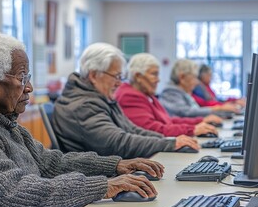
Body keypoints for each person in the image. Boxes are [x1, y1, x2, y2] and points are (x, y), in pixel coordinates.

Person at [0, 32, 164, 207]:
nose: (29, 87)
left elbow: (49, 163)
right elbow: (10, 194)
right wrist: (102, 186)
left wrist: (115, 166)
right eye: (22, 77)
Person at [52, 43, 199, 159]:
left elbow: (132, 130)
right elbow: (118, 143)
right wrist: (169, 143)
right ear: (94, 76)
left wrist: (171, 141)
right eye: (116, 76)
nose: (119, 83)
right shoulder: (83, 106)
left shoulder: (100, 98)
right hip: (103, 179)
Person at [115, 53, 222, 137]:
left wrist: (199, 121)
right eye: (154, 74)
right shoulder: (129, 96)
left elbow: (168, 120)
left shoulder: (147, 95)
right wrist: (192, 129)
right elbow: (151, 129)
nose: (158, 79)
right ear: (138, 76)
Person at [159, 59, 240, 118]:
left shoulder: (183, 92)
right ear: (182, 78)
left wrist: (224, 113)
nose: (197, 82)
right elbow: (187, 112)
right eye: (194, 78)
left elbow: (197, 112)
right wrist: (219, 108)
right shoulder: (170, 93)